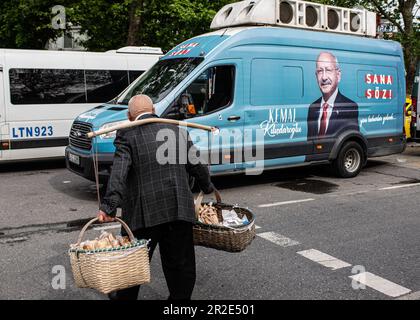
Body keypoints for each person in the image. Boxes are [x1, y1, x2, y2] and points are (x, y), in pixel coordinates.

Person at [97, 94, 216, 300]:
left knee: (133, 262)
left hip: (144, 213)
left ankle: (124, 298)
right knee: (181, 265)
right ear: (153, 110)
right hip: (179, 209)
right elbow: (197, 165)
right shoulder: (177, 131)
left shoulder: (127, 134)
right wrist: (207, 188)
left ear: (129, 115)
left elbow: (119, 172)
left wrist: (109, 207)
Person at [307, 52, 359, 140]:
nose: (324, 77)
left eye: (328, 70)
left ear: (338, 75)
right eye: (320, 71)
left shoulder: (349, 107)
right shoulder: (312, 108)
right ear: (316, 76)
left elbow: (350, 141)